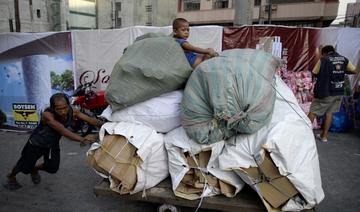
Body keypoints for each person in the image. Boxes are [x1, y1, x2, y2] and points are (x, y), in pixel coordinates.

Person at [3, 93, 105, 190]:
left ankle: (34, 169)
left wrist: (110, 125)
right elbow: (62, 130)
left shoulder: (73, 111)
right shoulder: (47, 115)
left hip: (52, 144)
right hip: (37, 144)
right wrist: (83, 139)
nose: (63, 112)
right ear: (53, 108)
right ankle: (11, 176)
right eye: (59, 109)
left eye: (65, 108)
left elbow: (92, 120)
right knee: (24, 166)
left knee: (52, 168)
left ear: (68, 105)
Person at [308, 45, 358, 142]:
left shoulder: (324, 60)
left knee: (313, 111)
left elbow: (314, 72)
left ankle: (303, 134)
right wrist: (342, 71)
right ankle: (324, 136)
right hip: (339, 91)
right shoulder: (344, 59)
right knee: (329, 113)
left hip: (326, 91)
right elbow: (354, 70)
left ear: (324, 53)